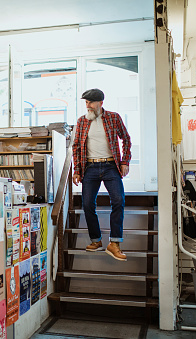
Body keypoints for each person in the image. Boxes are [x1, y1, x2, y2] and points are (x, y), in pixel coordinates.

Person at [72, 88, 131, 261]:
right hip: (90, 167)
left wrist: (125, 161)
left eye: (90, 103)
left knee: (118, 201)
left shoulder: (113, 117)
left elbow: (126, 139)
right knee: (88, 204)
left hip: (110, 166)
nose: (88, 106)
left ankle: (114, 243)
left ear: (100, 103)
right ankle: (96, 240)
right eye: (86, 103)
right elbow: (76, 147)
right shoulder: (82, 121)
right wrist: (76, 170)